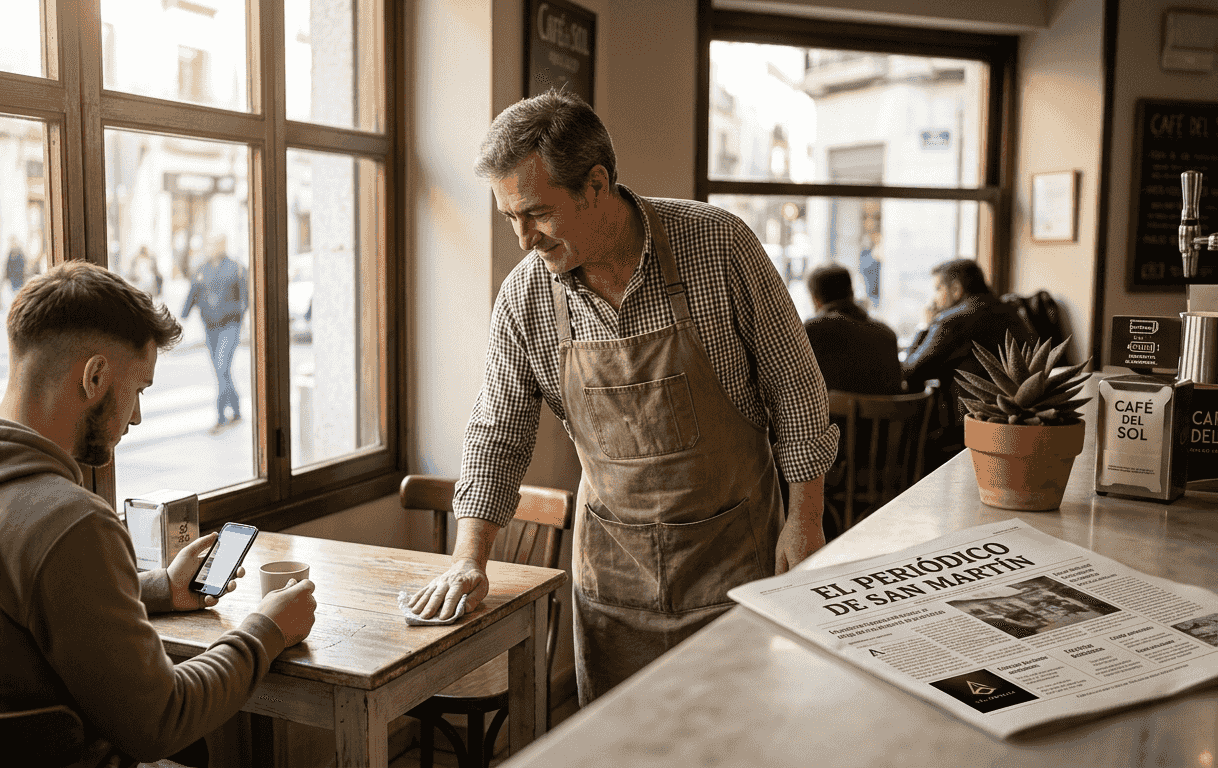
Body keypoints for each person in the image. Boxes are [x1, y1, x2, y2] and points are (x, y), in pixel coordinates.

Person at [408, 90, 837, 705]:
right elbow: (497, 435)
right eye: (510, 218)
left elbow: (795, 392)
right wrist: (469, 557)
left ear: (596, 184)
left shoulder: (719, 246)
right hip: (614, 580)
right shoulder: (525, 297)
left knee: (741, 735)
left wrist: (805, 520)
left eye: (537, 213)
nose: (524, 238)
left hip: (736, 563)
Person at [0, 261, 318, 768]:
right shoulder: (69, 523)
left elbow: (16, 607)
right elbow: (161, 722)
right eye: (140, 388)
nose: (138, 416)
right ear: (96, 375)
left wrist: (160, 589)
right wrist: (266, 629)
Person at [903, 258, 1036, 463]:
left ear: (956, 289)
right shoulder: (1012, 313)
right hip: (1020, 424)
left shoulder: (951, 321)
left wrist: (924, 326)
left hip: (965, 428)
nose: (935, 298)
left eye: (938, 289)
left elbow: (912, 369)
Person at [803, 263, 902, 396]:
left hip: (832, 416)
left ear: (815, 299)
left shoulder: (812, 331)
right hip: (886, 416)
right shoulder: (888, 334)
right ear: (851, 293)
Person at [182, 236, 248, 432]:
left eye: (214, 244)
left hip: (230, 325)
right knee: (223, 371)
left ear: (223, 245)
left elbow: (245, 296)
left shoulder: (236, 267)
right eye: (209, 244)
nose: (210, 248)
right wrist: (181, 316)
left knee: (221, 367)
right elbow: (193, 292)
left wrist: (242, 318)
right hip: (210, 328)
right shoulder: (202, 269)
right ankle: (236, 411)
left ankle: (220, 417)